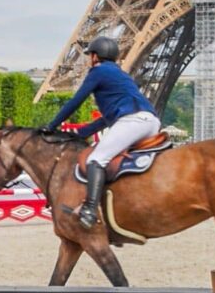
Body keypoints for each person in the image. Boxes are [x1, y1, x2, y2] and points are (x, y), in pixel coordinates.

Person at [41, 36, 160, 231]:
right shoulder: (120, 75)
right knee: (118, 159)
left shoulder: (98, 71)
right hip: (151, 121)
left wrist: (52, 125)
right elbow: (108, 118)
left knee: (96, 160)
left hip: (132, 122)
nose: (90, 59)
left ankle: (89, 209)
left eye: (90, 55)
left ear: (95, 56)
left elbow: (76, 101)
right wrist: (82, 133)